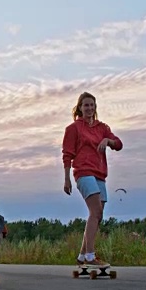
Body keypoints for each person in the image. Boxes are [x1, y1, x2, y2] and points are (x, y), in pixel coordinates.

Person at [61, 92, 123, 268]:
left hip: (100, 174)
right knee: (95, 211)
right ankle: (90, 256)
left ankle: (81, 256)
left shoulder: (102, 127)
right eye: (85, 105)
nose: (89, 108)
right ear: (80, 107)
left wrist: (107, 140)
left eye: (92, 105)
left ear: (95, 107)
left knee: (98, 215)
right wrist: (67, 179)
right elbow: (67, 155)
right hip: (83, 172)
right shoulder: (73, 129)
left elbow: (118, 144)